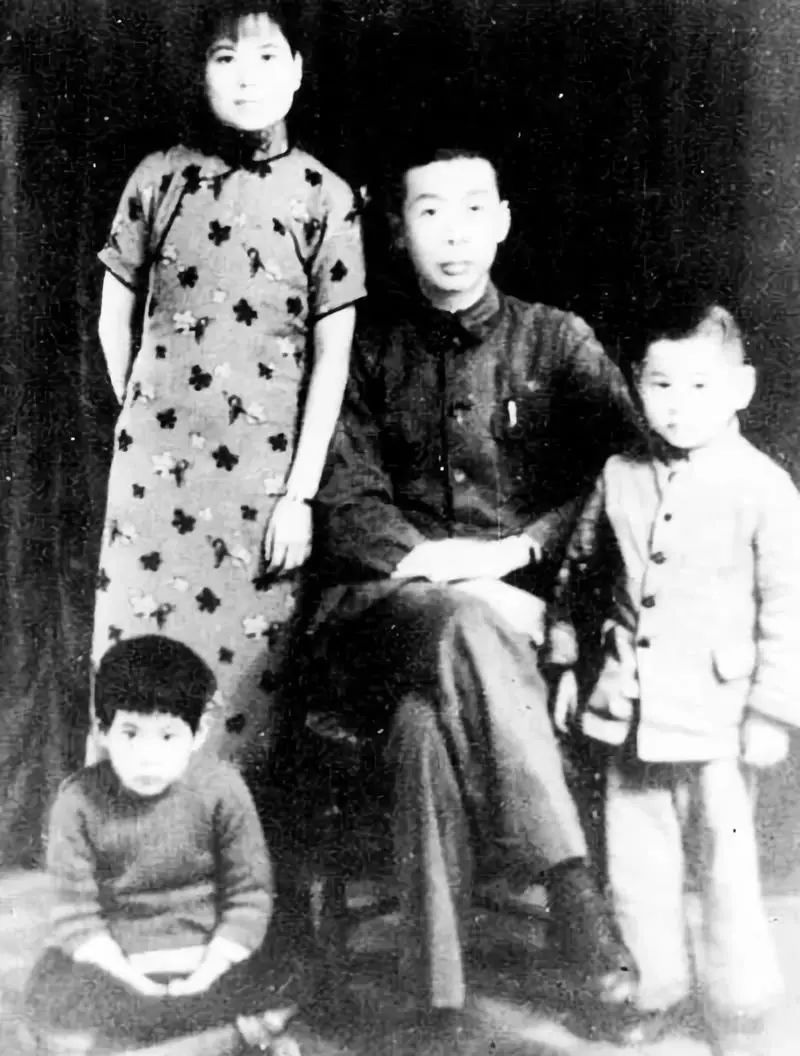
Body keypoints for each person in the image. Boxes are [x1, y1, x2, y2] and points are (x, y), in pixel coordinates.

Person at [299, 138, 643, 1016]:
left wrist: (517, 552)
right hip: (381, 619)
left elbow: (625, 473)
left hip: (517, 625)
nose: (453, 233)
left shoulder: (556, 340)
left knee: (423, 730)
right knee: (458, 622)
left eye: (472, 210)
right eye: (429, 212)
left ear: (502, 223)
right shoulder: (365, 349)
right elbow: (345, 499)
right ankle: (573, 892)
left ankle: (438, 1001)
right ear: (397, 229)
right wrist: (456, 583)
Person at [92, 0, 366, 761]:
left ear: (298, 71)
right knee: (134, 667)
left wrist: (299, 495)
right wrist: (138, 418)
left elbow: (333, 359)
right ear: (202, 72)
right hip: (152, 480)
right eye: (225, 57)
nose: (248, 78)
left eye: (267, 57)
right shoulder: (159, 178)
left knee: (243, 691)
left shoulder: (327, 196)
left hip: (263, 488)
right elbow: (112, 320)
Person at [547, 303, 800, 1054]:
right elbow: (580, 575)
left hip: (719, 719)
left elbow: (789, 608)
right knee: (637, 866)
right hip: (628, 710)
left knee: (726, 867)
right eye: (661, 386)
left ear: (741, 388)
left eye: (700, 386)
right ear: (636, 384)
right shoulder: (619, 475)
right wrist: (565, 660)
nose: (679, 405)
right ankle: (654, 989)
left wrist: (771, 712)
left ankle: (739, 1002)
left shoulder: (763, 488)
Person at [22, 635, 297, 1053]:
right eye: (131, 733)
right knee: (50, 992)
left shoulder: (223, 788)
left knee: (293, 966)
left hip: (206, 957)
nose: (147, 755)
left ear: (198, 734)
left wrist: (209, 968)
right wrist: (127, 973)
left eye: (167, 736)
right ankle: (229, 1038)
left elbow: (249, 895)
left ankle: (186, 1040)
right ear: (103, 731)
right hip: (121, 965)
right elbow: (76, 912)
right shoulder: (77, 801)